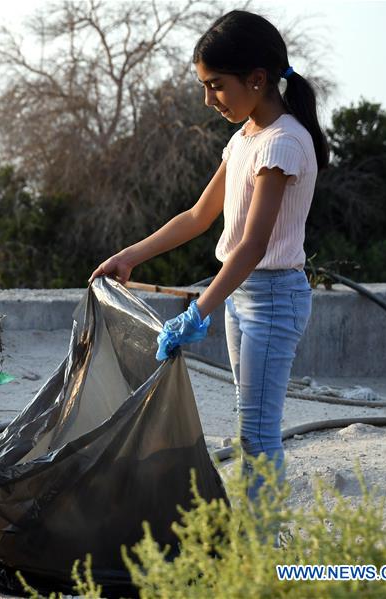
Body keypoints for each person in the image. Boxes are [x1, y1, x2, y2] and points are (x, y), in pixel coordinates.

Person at [90, 10, 328, 502]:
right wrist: (129, 255)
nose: (208, 99)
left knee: (258, 434)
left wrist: (200, 309)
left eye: (216, 85)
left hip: (273, 299)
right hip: (245, 297)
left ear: (257, 80)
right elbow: (198, 216)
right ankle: (260, 543)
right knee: (249, 427)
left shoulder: (282, 143)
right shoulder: (243, 140)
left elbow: (253, 246)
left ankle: (263, 555)